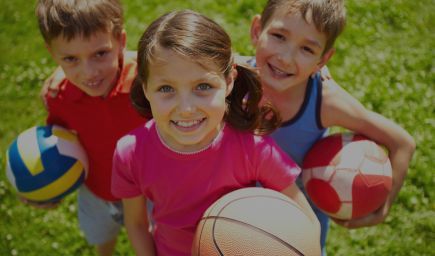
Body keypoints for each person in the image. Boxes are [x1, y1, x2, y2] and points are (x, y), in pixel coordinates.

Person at [111, 10, 320, 256]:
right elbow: (136, 224)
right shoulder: (131, 153)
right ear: (145, 88)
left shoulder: (252, 148)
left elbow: (308, 222)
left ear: (229, 81)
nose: (186, 108)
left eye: (203, 86)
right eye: (166, 88)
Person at [246, 0, 416, 254]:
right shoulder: (231, 79)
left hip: (298, 224)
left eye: (307, 49)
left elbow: (402, 143)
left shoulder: (325, 101)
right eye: (279, 36)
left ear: (323, 59)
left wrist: (382, 208)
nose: (286, 57)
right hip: (234, 213)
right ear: (257, 30)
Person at [32, 0, 147, 255]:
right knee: (101, 238)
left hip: (149, 192)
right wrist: (45, 187)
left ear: (121, 41)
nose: (89, 72)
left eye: (100, 53)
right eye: (71, 59)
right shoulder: (58, 98)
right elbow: (61, 146)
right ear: (52, 54)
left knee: (152, 243)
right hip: (96, 192)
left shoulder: (147, 84)